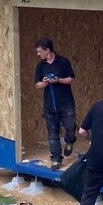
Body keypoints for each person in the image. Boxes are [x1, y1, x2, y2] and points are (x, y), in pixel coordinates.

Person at [35, 37, 77, 170]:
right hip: (49, 106)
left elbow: (71, 80)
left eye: (40, 51)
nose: (38, 54)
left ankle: (70, 141)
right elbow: (37, 85)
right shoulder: (41, 66)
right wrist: (46, 81)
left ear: (48, 50)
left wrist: (58, 79)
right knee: (52, 134)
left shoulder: (63, 62)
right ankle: (56, 159)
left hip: (66, 104)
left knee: (70, 128)